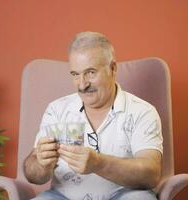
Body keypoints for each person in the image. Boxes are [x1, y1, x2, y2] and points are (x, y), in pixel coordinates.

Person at [24, 31, 163, 200]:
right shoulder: (56, 110)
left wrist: (98, 164)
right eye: (75, 74)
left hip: (124, 195)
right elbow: (33, 174)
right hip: (63, 196)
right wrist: (41, 163)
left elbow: (151, 174)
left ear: (113, 68)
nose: (82, 84)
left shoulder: (142, 112)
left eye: (90, 72)